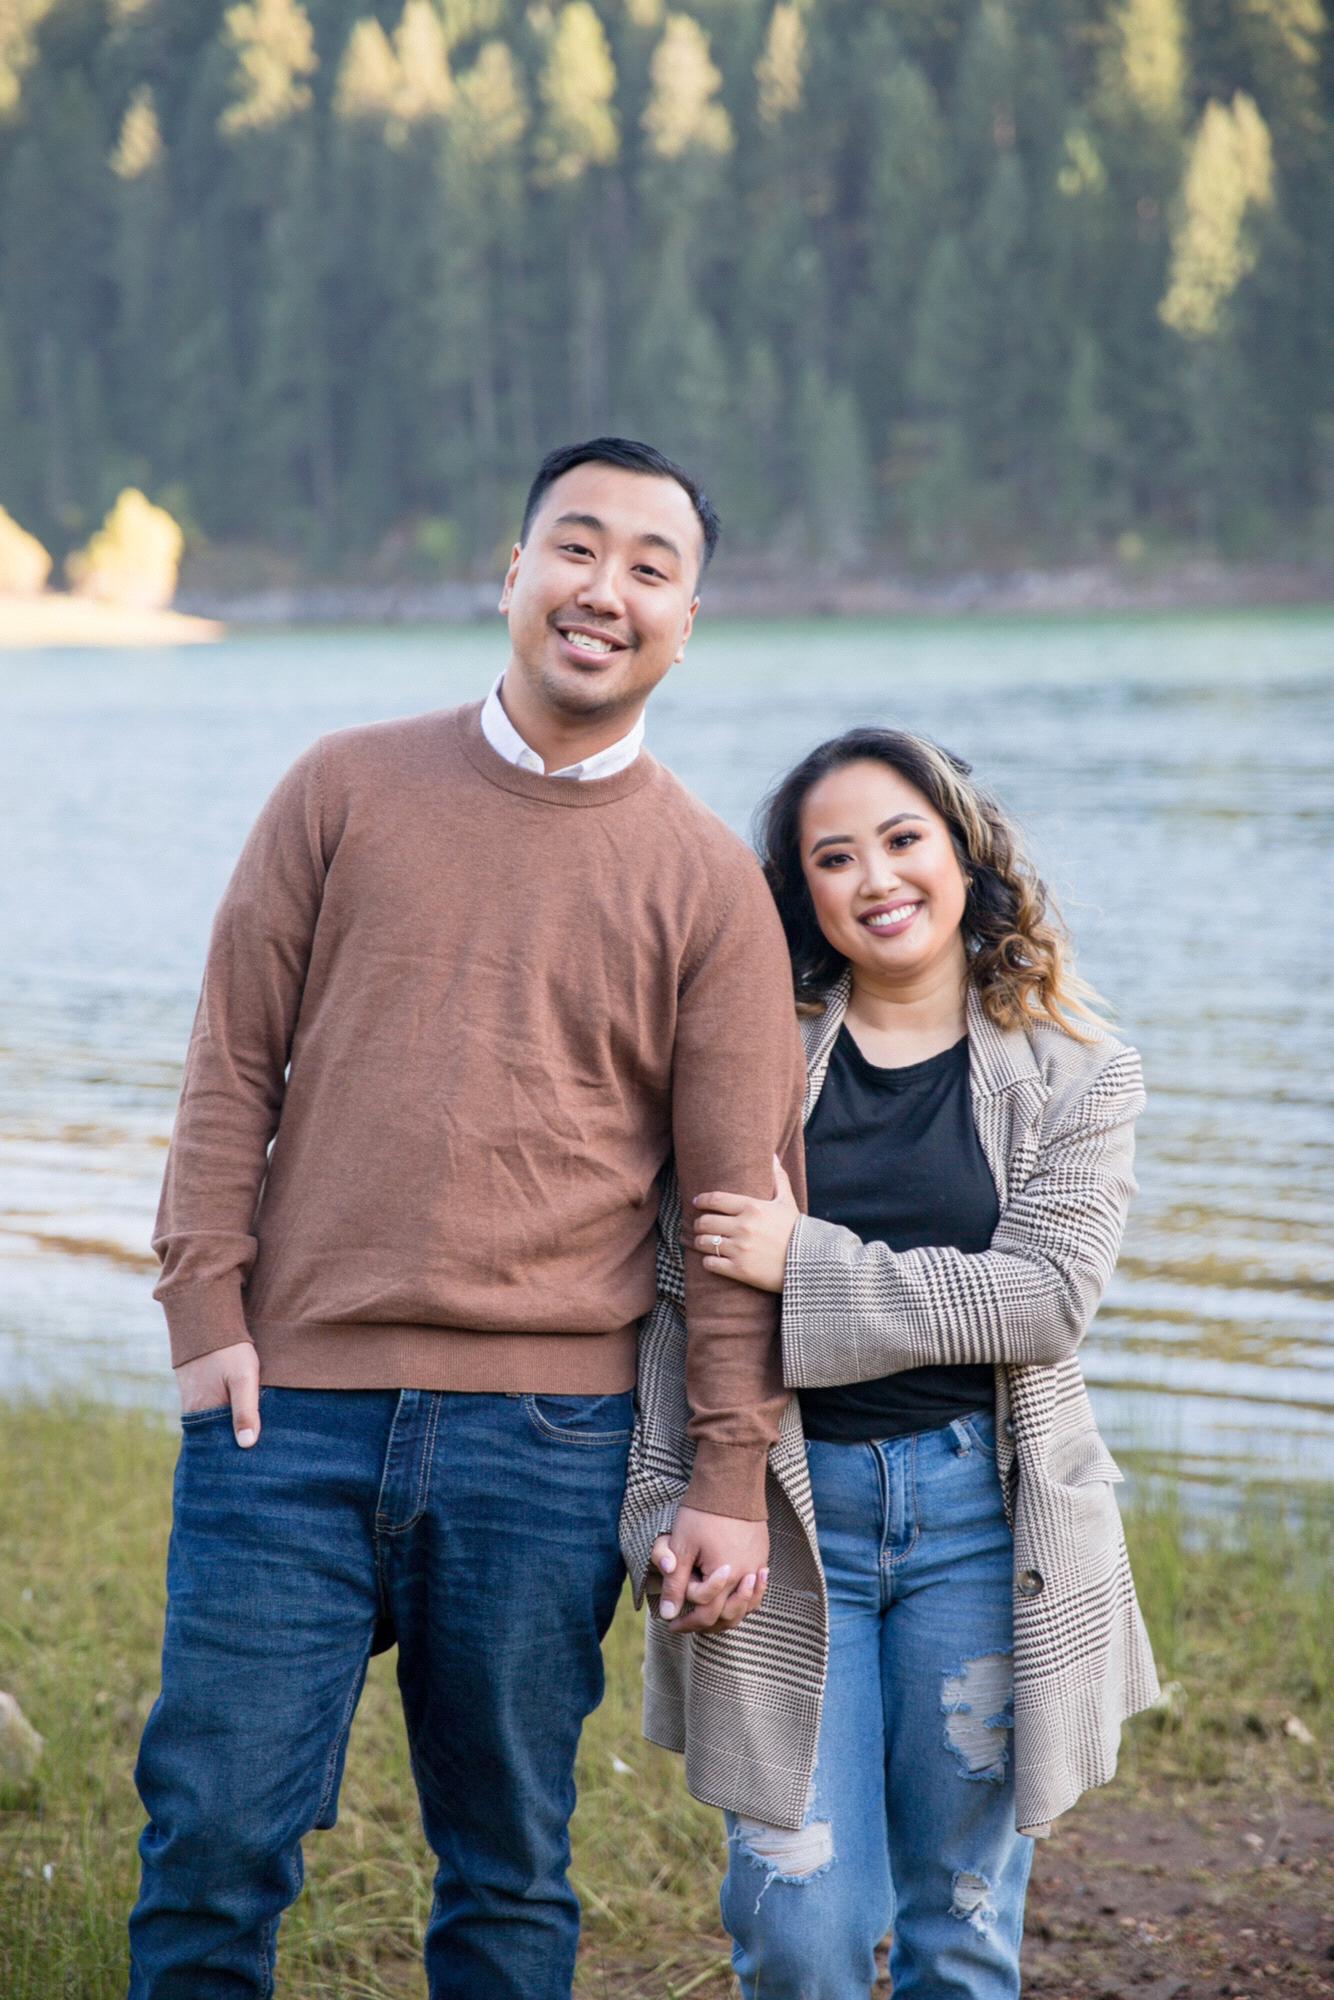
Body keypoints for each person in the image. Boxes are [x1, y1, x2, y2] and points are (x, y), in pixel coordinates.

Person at [129, 437, 807, 2000]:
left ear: (687, 624)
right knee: (213, 1839)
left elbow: (735, 1212)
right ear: (511, 575)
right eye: (576, 547)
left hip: (545, 1444)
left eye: (650, 568)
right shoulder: (341, 788)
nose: (604, 589)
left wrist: (724, 1471)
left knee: (506, 1867)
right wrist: (204, 1312)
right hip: (283, 1416)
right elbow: (231, 1062)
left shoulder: (711, 886)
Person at [621, 726, 1159, 1999]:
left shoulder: (1078, 1071)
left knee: (957, 1925)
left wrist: (801, 1261)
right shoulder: (753, 1056)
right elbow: (673, 1301)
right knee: (799, 1922)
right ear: (799, 891)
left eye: (902, 838)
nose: (876, 877)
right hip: (784, 1512)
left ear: (963, 854)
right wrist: (660, 1501)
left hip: (985, 1522)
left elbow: (1042, 1300)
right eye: (833, 856)